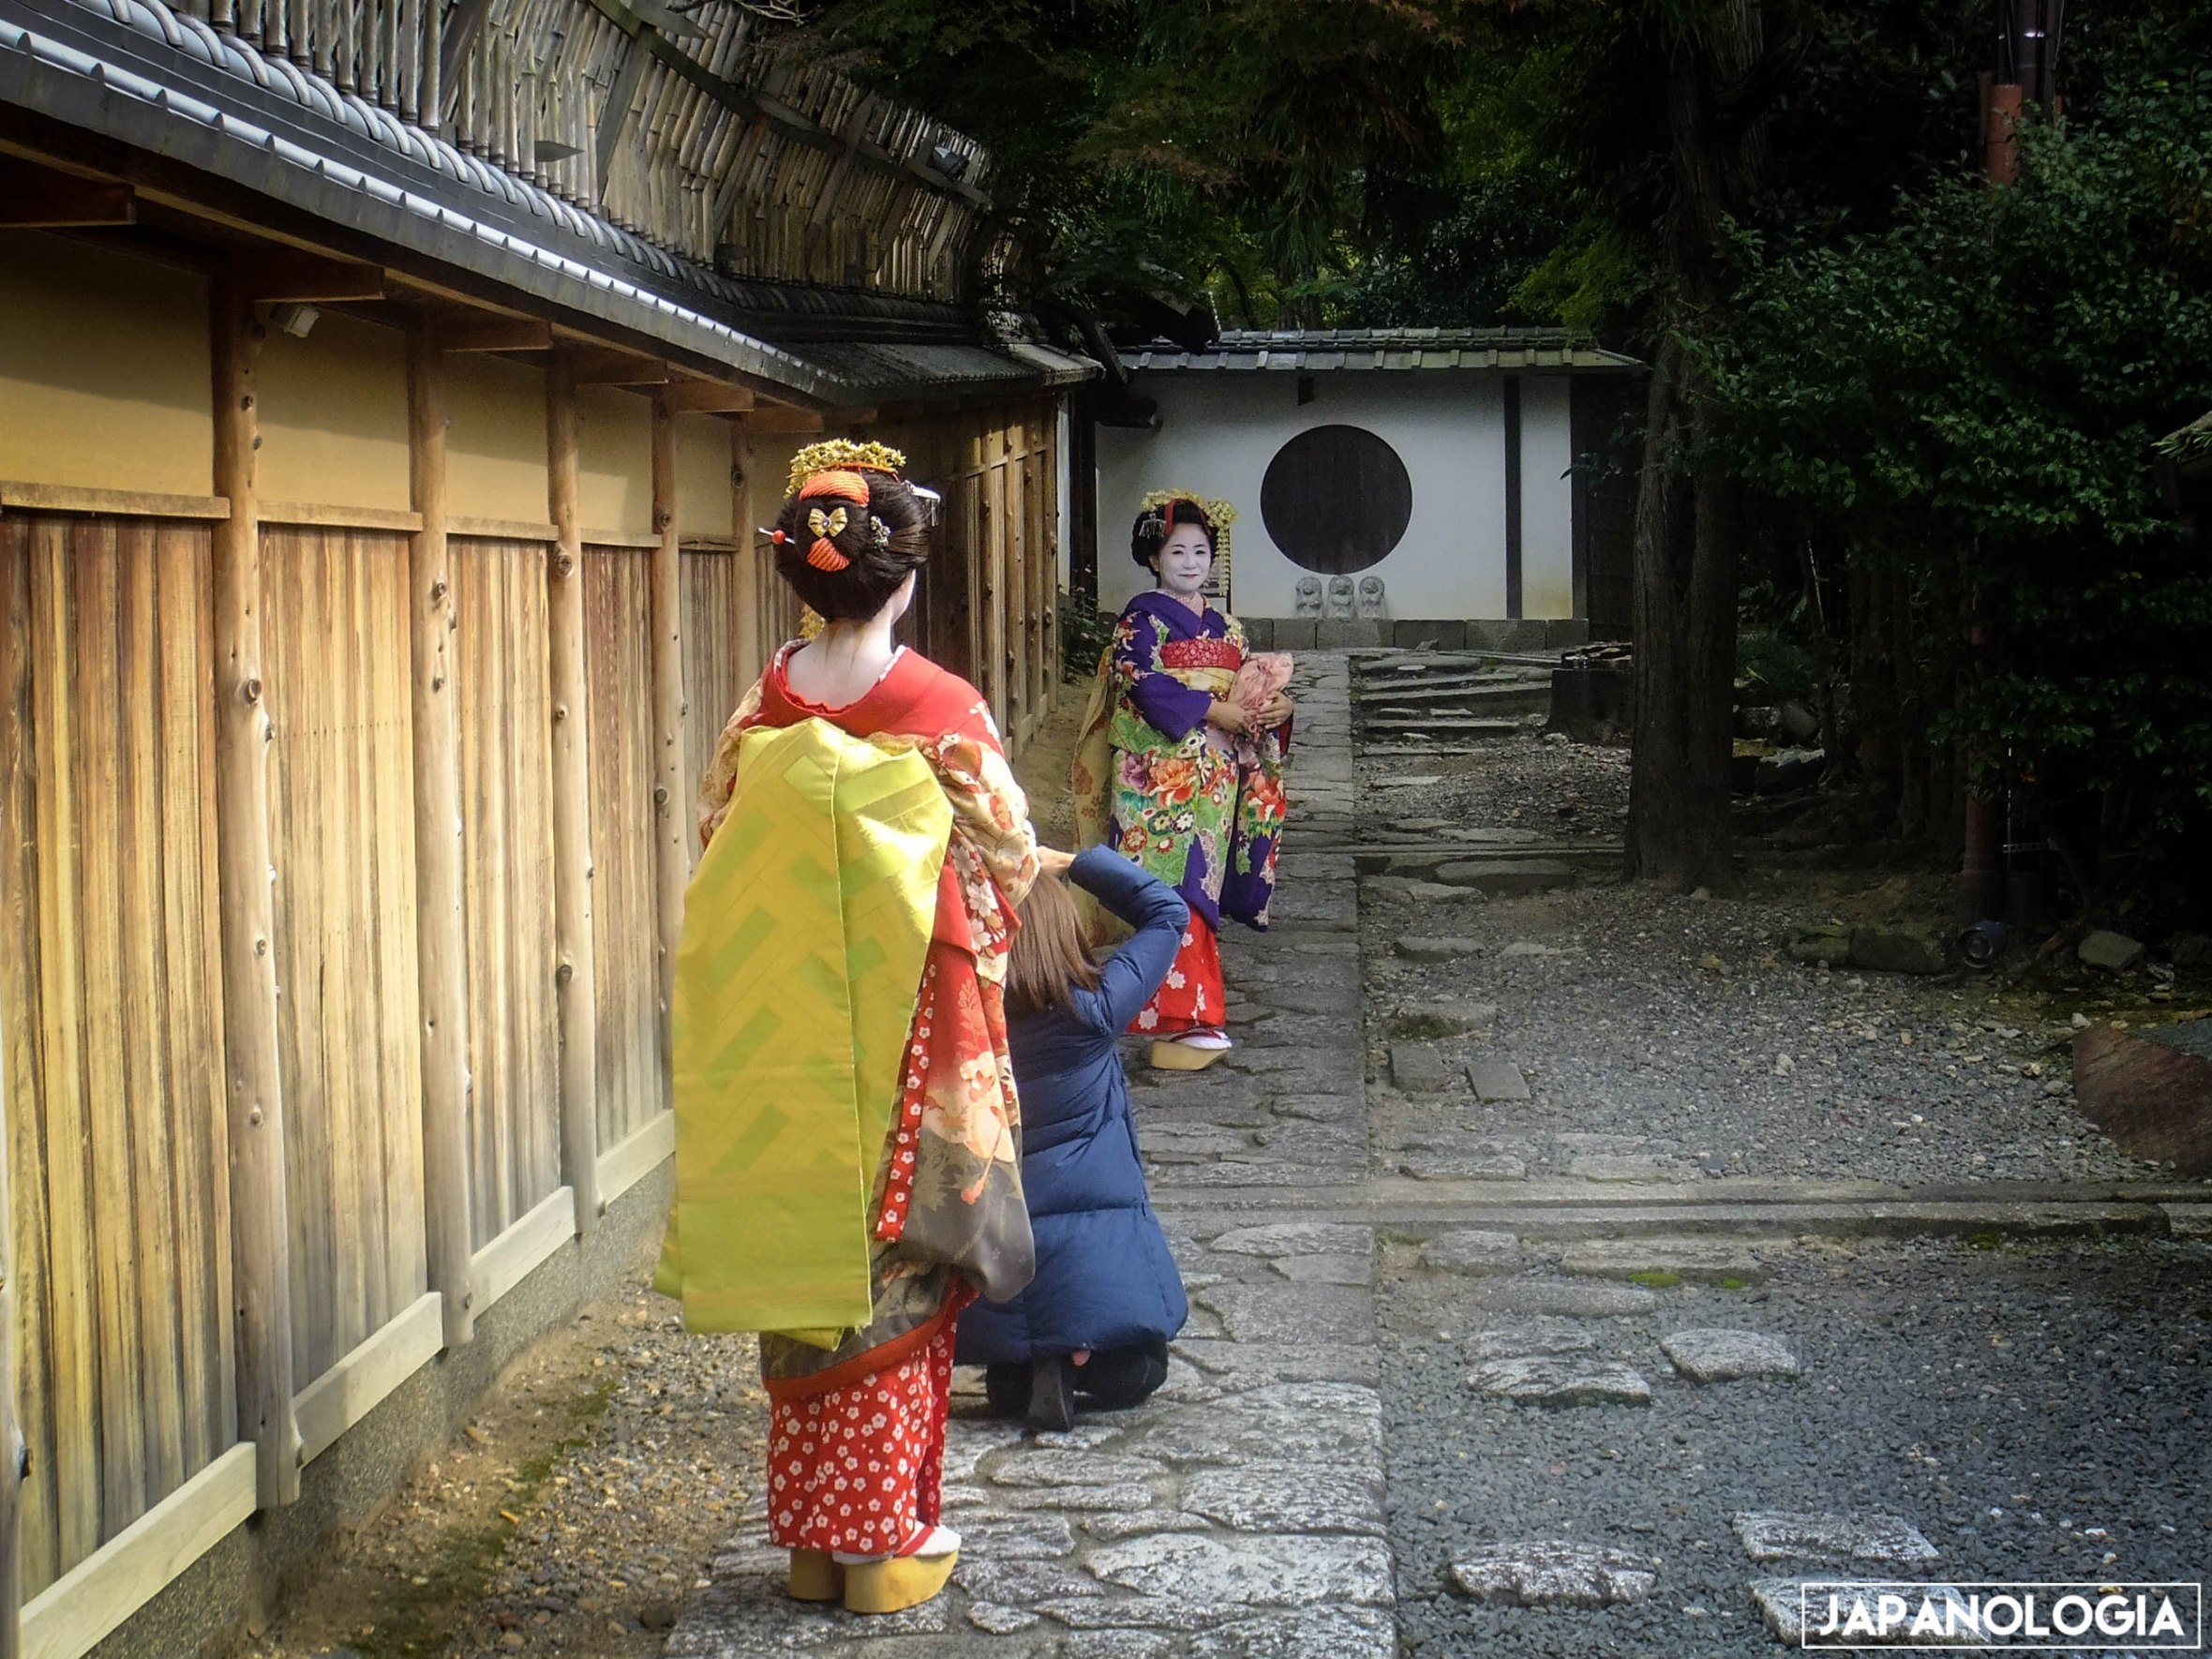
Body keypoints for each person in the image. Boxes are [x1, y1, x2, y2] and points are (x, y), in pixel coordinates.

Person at [659, 440, 1041, 1616]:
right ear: (906, 577)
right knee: (903, 1254)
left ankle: (812, 1544)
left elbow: (718, 831)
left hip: (784, 1014)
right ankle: (882, 1545)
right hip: (907, 1022)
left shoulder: (767, 702)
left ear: (799, 577)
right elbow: (1010, 855)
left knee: (796, 1239)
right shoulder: (938, 707)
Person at [953, 847, 1191, 1430]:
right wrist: (1076, 863)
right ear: (1065, 934)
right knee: (1140, 1371)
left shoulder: (964, 1026)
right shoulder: (1096, 1012)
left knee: (1007, 1378)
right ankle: (1077, 1360)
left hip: (1002, 1260)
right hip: (1101, 1264)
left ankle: (1034, 1367)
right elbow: (1168, 913)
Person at [1072, 495, 1293, 1070]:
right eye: (1178, 550)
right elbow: (1138, 681)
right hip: (1158, 774)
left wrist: (1275, 706)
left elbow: (1248, 685)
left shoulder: (1228, 627)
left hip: (1215, 774)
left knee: (1201, 884)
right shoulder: (1140, 619)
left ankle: (1175, 1016)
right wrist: (1209, 711)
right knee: (1172, 888)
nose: (1191, 561)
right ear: (1154, 556)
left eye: (1201, 551)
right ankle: (1192, 1018)